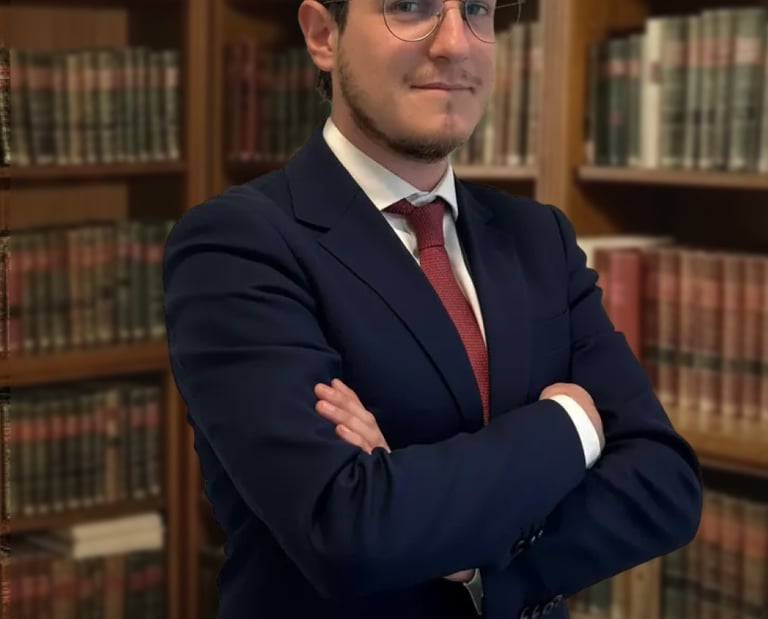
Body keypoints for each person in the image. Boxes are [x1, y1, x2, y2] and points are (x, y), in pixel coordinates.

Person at [162, 1, 703, 617]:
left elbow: (666, 486)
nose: (455, 44)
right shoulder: (236, 244)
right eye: (410, 5)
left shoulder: (539, 237)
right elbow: (349, 534)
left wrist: (473, 558)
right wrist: (570, 426)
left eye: (477, 9)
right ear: (321, 34)